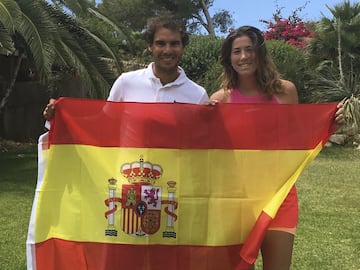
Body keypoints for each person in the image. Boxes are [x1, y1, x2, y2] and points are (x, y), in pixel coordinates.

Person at [210, 26, 344, 270]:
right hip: (238, 200)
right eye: (236, 51)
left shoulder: (285, 92)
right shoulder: (220, 100)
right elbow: (210, 150)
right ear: (229, 58)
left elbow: (297, 139)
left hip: (280, 196)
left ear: (260, 53)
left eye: (249, 50)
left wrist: (329, 122)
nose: (243, 57)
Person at [43, 12, 208, 120]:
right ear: (150, 46)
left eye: (174, 44)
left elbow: (208, 141)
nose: (167, 50)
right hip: (128, 171)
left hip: (176, 174)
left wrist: (216, 114)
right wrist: (61, 116)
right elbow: (103, 123)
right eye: (160, 43)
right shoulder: (126, 83)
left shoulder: (198, 95)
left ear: (183, 47)